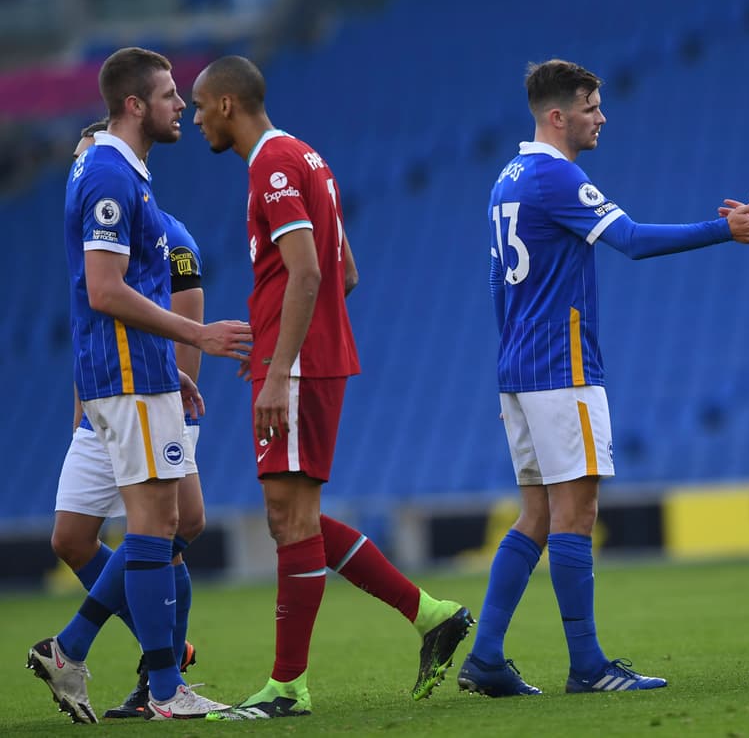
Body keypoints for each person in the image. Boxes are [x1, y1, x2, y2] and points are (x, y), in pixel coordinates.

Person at [457, 59, 749, 697]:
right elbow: (631, 240)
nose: (602, 117)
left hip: (519, 368)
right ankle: (587, 666)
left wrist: (512, 361)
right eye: (591, 105)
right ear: (558, 116)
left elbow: (498, 283)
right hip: (563, 367)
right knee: (575, 514)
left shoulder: (507, 178)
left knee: (535, 517)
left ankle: (487, 658)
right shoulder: (556, 175)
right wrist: (729, 230)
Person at [190, 55, 473, 719]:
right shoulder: (309, 158)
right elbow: (345, 270)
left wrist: (282, 366)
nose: (197, 115)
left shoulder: (273, 164)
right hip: (308, 357)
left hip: (300, 367)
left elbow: (311, 272)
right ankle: (429, 613)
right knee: (297, 517)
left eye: (201, 104)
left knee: (289, 519)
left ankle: (288, 686)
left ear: (228, 104)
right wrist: (271, 339)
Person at [29, 47, 253, 723]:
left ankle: (103, 663)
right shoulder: (108, 174)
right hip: (128, 372)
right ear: (133, 105)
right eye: (167, 95)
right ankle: (153, 685)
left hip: (133, 374)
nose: (181, 104)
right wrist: (198, 336)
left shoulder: (117, 169)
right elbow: (103, 290)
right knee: (158, 528)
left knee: (161, 526)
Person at [50, 120, 205, 718]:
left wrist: (180, 424)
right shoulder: (91, 237)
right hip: (102, 401)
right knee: (71, 537)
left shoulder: (172, 240)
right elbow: (91, 328)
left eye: (84, 155)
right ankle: (156, 656)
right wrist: (78, 416)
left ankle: (156, 675)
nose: (79, 170)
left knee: (174, 522)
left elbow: (186, 317)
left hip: (150, 392)